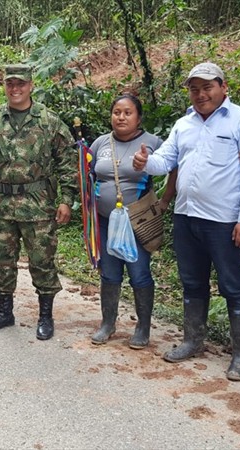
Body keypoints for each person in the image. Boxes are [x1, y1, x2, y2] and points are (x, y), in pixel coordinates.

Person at [133, 62, 240, 381]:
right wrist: (145, 162)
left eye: (207, 87)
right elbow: (166, 160)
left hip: (224, 220)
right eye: (194, 88)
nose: (200, 94)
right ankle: (193, 339)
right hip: (186, 216)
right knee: (191, 282)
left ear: (223, 87)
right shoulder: (184, 124)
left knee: (233, 285)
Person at [0, 64, 78, 340]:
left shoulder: (49, 121)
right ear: (4, 86)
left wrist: (67, 201)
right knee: (1, 261)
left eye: (20, 84)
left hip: (38, 206)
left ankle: (45, 316)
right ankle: (4, 312)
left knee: (42, 261)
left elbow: (68, 164)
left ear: (31, 85)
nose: (15, 89)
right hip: (1, 205)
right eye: (10, 84)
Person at [89, 94, 163, 349]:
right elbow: (86, 172)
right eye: (117, 112)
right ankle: (108, 323)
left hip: (137, 221)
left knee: (139, 272)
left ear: (138, 117)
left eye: (127, 112)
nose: (121, 117)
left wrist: (164, 200)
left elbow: (173, 166)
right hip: (104, 220)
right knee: (109, 272)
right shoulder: (100, 143)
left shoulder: (153, 142)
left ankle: (142, 328)